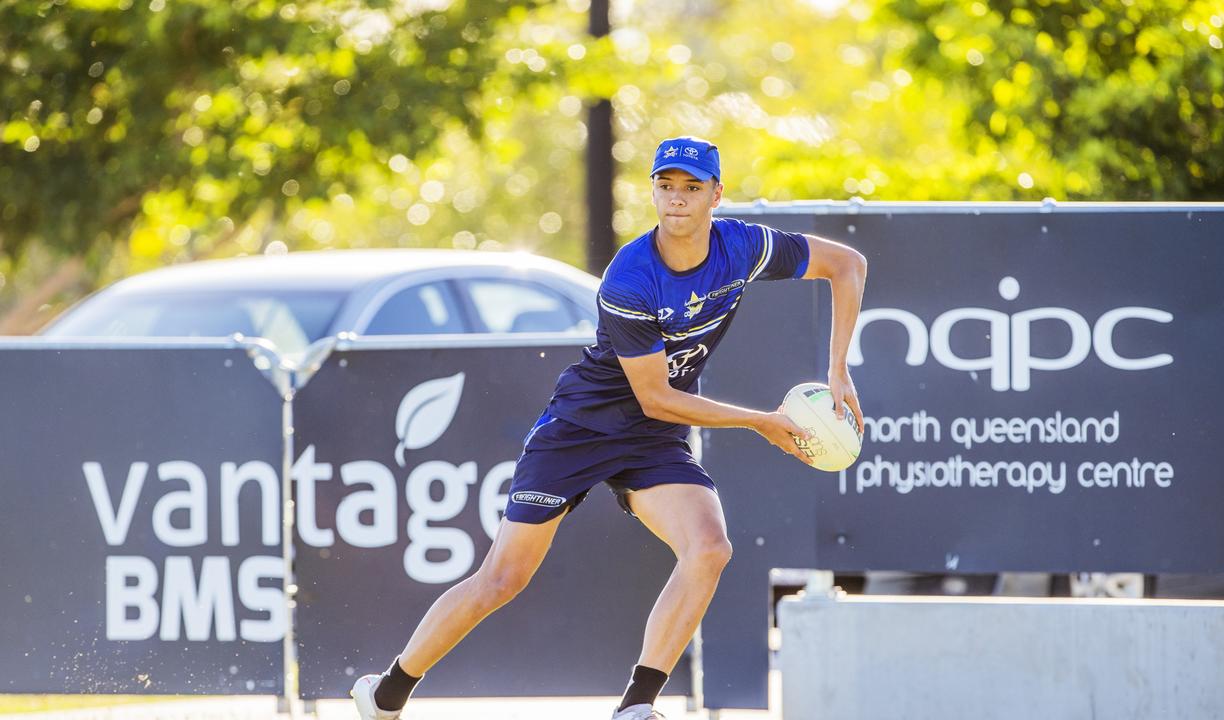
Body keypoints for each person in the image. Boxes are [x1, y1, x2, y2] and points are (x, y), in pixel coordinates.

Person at [351, 136, 868, 720]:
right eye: (666, 186)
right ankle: (388, 690)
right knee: (503, 579)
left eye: (692, 187)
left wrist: (836, 367)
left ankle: (635, 707)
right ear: (652, 191)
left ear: (716, 195)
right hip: (581, 427)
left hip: (650, 440)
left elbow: (847, 265)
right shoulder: (630, 275)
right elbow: (655, 396)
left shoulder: (744, 247)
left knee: (709, 548)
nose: (677, 199)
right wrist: (762, 422)